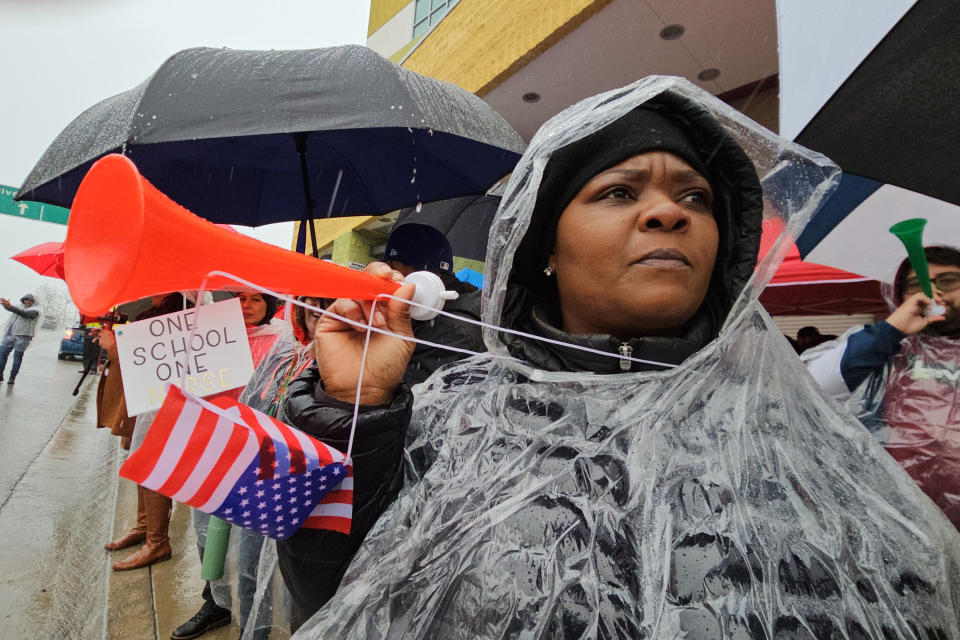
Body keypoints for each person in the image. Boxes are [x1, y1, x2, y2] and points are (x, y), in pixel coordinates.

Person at [286, 78, 960, 638]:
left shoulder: (808, 439)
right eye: (618, 191)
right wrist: (352, 412)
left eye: (695, 196)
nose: (669, 212)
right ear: (543, 246)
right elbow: (338, 603)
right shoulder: (448, 419)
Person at [805, 246, 960, 528]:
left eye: (948, 281)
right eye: (917, 284)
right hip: (894, 525)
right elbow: (809, 388)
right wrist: (890, 331)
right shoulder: (880, 345)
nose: (932, 292)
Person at [173, 290, 289, 640]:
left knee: (249, 544)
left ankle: (253, 622)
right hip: (212, 445)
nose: (247, 306)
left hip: (255, 454)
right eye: (239, 298)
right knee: (206, 530)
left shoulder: (281, 344)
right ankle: (216, 603)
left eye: (256, 299)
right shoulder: (210, 339)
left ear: (269, 305)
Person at [101, 293, 191, 570]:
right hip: (148, 401)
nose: (154, 292)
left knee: (154, 467)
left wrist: (114, 345)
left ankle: (157, 541)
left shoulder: (185, 310)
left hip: (166, 404)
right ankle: (144, 528)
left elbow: (156, 357)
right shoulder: (159, 311)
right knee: (143, 465)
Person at [383, 223, 485, 386]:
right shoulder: (449, 313)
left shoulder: (449, 333)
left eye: (389, 268)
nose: (385, 280)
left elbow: (405, 403)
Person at [0, 293, 41, 385]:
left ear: (34, 302)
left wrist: (10, 306)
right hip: (10, 335)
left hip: (23, 337)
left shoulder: (36, 310)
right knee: (2, 355)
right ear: (23, 300)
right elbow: (13, 309)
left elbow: (25, 314)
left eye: (31, 300)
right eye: (26, 299)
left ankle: (12, 377)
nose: (28, 301)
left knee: (17, 358)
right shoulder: (19, 306)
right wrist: (6, 305)